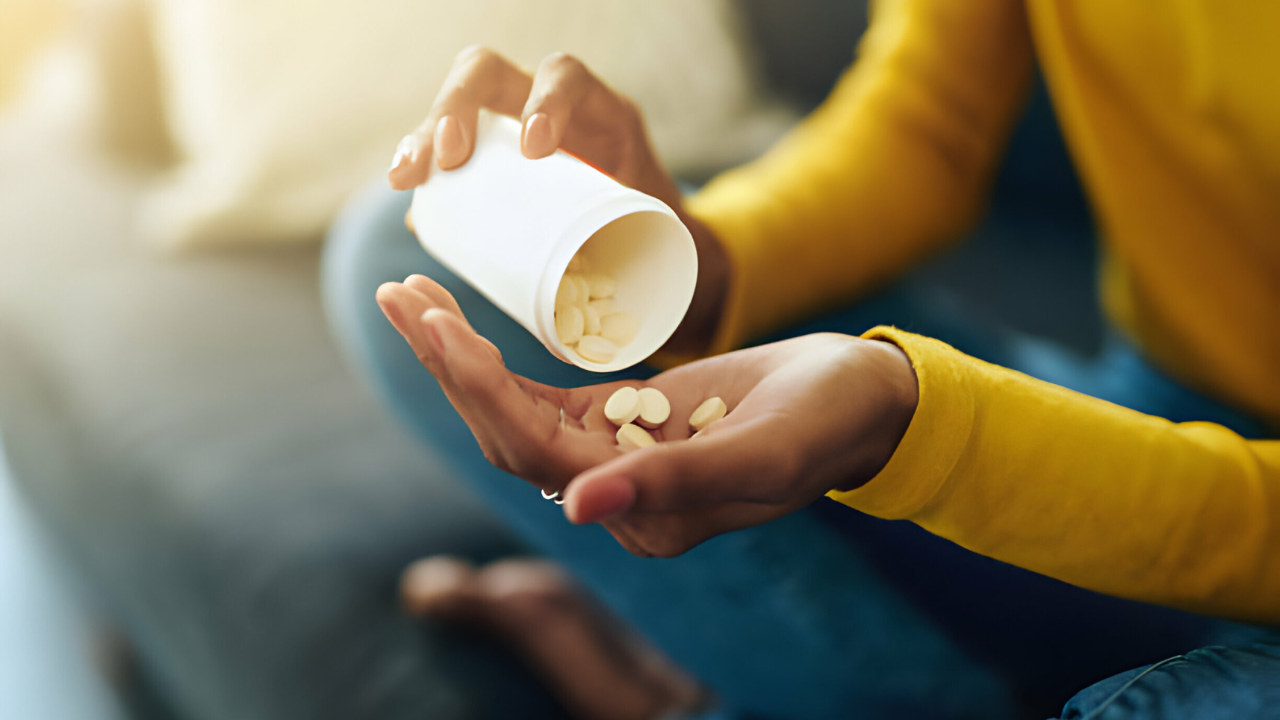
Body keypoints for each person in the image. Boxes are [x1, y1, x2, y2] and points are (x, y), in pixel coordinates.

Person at [326, 1, 1280, 717]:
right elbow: (926, 125)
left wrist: (917, 424)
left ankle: (674, 692)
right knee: (400, 242)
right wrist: (702, 265)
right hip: (1160, 406)